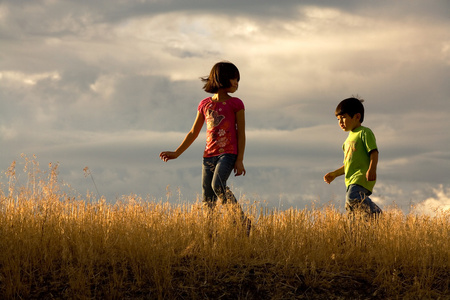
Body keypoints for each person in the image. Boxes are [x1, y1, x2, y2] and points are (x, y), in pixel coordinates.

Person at [159, 61, 250, 229]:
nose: (237, 83)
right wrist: (176, 153)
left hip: (228, 154)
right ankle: (209, 239)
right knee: (208, 199)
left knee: (218, 185)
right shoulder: (204, 104)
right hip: (208, 155)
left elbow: (241, 133)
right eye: (234, 79)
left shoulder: (236, 104)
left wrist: (240, 159)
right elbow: (193, 132)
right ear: (222, 79)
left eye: (238, 80)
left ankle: (242, 222)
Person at [324, 97, 382, 216]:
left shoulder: (364, 132)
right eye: (338, 119)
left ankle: (376, 213)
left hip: (361, 177)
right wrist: (334, 174)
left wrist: (372, 169)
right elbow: (348, 164)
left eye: (344, 117)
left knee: (353, 197)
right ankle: (355, 232)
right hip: (350, 180)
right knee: (351, 209)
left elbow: (374, 152)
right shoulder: (346, 142)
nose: (340, 122)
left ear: (357, 117)